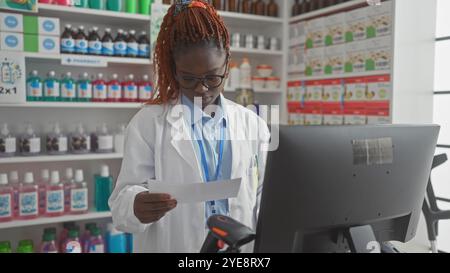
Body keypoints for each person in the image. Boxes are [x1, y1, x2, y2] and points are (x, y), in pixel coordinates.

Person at [108, 0, 270, 253]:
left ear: (227, 63)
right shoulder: (148, 124)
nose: (201, 89)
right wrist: (135, 205)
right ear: (174, 69)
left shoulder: (253, 125)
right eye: (188, 78)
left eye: (211, 77)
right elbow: (121, 204)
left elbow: (263, 196)